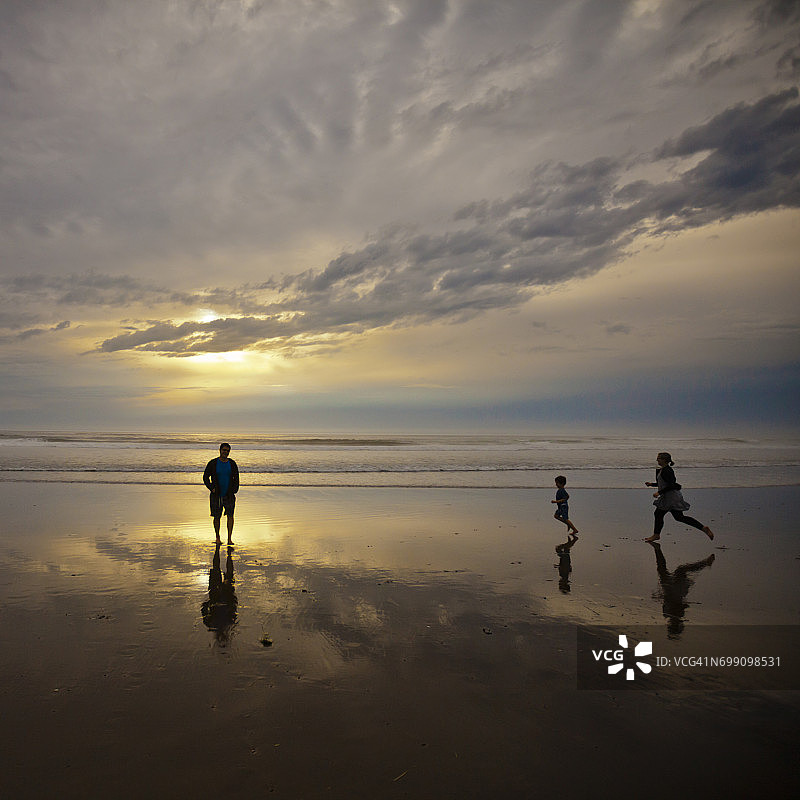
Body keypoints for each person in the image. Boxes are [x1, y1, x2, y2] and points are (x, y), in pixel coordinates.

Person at [644, 452, 713, 542]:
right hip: (669, 496)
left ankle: (656, 535)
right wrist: (652, 484)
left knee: (659, 514)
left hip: (671, 497)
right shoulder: (662, 470)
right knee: (678, 517)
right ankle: (703, 528)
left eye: (659, 458)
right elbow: (663, 483)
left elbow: (672, 485)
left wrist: (659, 492)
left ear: (665, 460)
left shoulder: (667, 470)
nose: (657, 460)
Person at [203, 442, 239, 545]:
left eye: (227, 451)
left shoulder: (232, 463)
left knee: (230, 516)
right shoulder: (213, 463)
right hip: (216, 495)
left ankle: (229, 539)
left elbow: (236, 477)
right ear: (220, 450)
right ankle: (217, 537)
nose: (225, 452)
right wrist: (211, 488)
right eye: (224, 450)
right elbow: (205, 477)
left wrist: (235, 490)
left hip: (229, 494)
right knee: (216, 516)